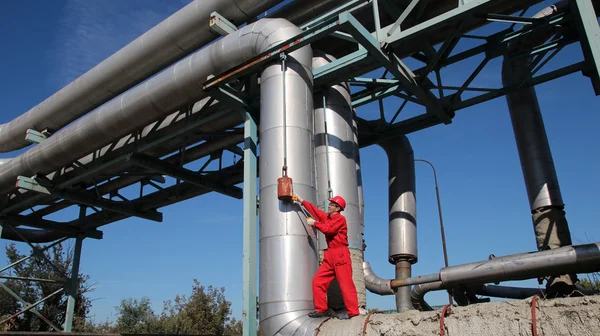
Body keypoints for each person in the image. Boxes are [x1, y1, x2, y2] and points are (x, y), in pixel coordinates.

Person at [292, 193, 360, 319]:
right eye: (329, 204)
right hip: (329, 255)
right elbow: (315, 211)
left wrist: (315, 224)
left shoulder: (340, 219)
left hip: (340, 254)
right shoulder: (327, 217)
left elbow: (329, 230)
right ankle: (321, 309)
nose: (329, 206)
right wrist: (302, 201)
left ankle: (354, 313)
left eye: (331, 205)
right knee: (317, 281)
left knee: (346, 285)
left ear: (338, 208)